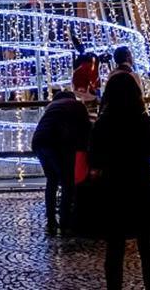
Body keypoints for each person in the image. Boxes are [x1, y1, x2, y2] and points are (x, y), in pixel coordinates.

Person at [89, 72, 150, 290]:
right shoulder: (144, 121)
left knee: (114, 248)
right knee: (148, 247)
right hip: (142, 187)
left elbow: (94, 158)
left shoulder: (102, 124)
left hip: (113, 188)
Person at [31, 88, 90, 235]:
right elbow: (86, 128)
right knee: (67, 182)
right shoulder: (76, 105)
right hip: (57, 143)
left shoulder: (52, 107)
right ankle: (65, 222)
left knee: (51, 180)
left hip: (39, 142)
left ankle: (51, 221)